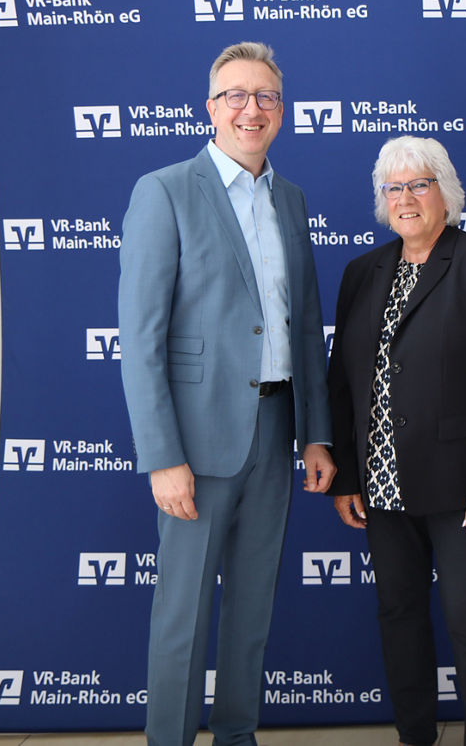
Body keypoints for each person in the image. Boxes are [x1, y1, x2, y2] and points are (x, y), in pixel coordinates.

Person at [118, 41, 335, 746]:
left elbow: (305, 328)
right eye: (236, 95)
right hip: (196, 446)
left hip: (275, 433)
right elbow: (142, 337)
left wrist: (316, 433)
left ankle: (238, 736)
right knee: (181, 617)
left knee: (251, 613)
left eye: (266, 96)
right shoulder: (165, 190)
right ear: (210, 108)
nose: (252, 108)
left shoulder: (291, 199)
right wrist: (161, 456)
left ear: (282, 111)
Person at [329, 136, 466, 746]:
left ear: (447, 193)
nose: (406, 198)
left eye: (420, 184)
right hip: (383, 485)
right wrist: (345, 475)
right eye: (394, 188)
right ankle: (415, 734)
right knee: (399, 615)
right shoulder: (362, 272)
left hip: (462, 487)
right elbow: (342, 381)